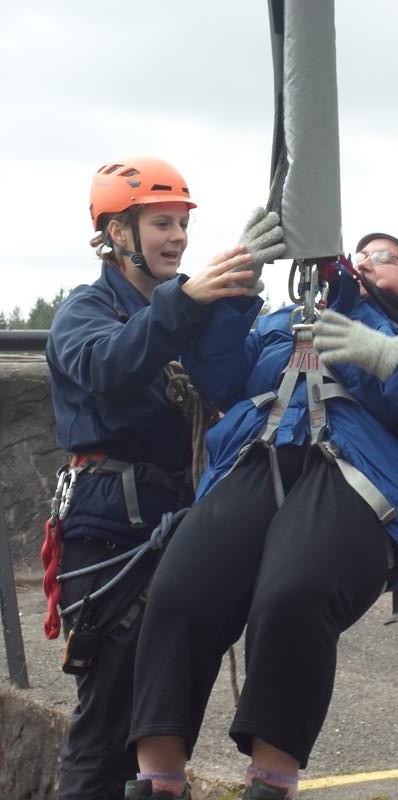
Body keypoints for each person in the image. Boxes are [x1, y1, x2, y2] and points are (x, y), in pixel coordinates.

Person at [124, 227, 398, 800]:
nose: (365, 260)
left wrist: (387, 358)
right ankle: (158, 781)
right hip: (259, 458)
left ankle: (271, 783)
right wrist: (241, 282)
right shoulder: (288, 323)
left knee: (295, 592)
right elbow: (219, 376)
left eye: (387, 258)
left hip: (361, 479)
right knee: (181, 589)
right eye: (366, 251)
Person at [44, 155, 285, 800]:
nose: (178, 237)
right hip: (107, 535)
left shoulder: (183, 315)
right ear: (119, 234)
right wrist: (190, 298)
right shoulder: (84, 312)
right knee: (108, 724)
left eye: (181, 223)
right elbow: (107, 366)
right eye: (161, 223)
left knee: (160, 720)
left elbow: (225, 373)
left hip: (174, 524)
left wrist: (236, 286)